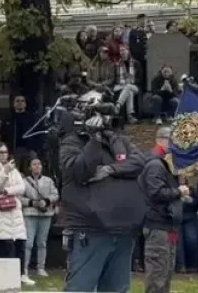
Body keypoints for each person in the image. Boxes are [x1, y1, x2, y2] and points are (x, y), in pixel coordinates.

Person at [59, 119, 146, 292]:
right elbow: (81, 171)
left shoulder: (120, 141)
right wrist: (94, 139)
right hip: (91, 230)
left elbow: (139, 162)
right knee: (80, 288)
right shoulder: (72, 142)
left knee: (117, 288)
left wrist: (110, 169)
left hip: (123, 230)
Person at [140, 127, 187, 293]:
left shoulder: (166, 164)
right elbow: (156, 192)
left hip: (168, 225)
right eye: (173, 141)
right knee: (157, 275)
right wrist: (178, 191)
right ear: (163, 140)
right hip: (158, 224)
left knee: (166, 272)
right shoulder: (155, 164)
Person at [0, 144, 33, 286]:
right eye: (0, 152)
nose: (3, 155)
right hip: (0, 212)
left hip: (14, 211)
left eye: (5, 152)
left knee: (20, 242)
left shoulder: (14, 170)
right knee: (4, 243)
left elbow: (22, 187)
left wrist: (7, 191)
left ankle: (22, 274)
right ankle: (4, 275)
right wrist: (4, 173)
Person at [20, 156, 59, 279]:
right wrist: (32, 203)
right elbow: (19, 198)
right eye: (34, 164)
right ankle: (24, 268)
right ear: (30, 167)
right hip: (30, 213)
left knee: (42, 242)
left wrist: (46, 201)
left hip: (45, 214)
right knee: (28, 242)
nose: (37, 166)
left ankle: (41, 268)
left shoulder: (48, 181)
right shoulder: (24, 182)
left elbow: (55, 195)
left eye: (39, 164)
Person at [0, 95, 41, 159]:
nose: (20, 102)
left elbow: (38, 134)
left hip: (29, 150)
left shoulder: (32, 118)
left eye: (22, 101)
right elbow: (2, 136)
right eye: (17, 101)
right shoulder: (8, 118)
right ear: (14, 104)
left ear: (25, 104)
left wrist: (35, 149)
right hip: (12, 151)